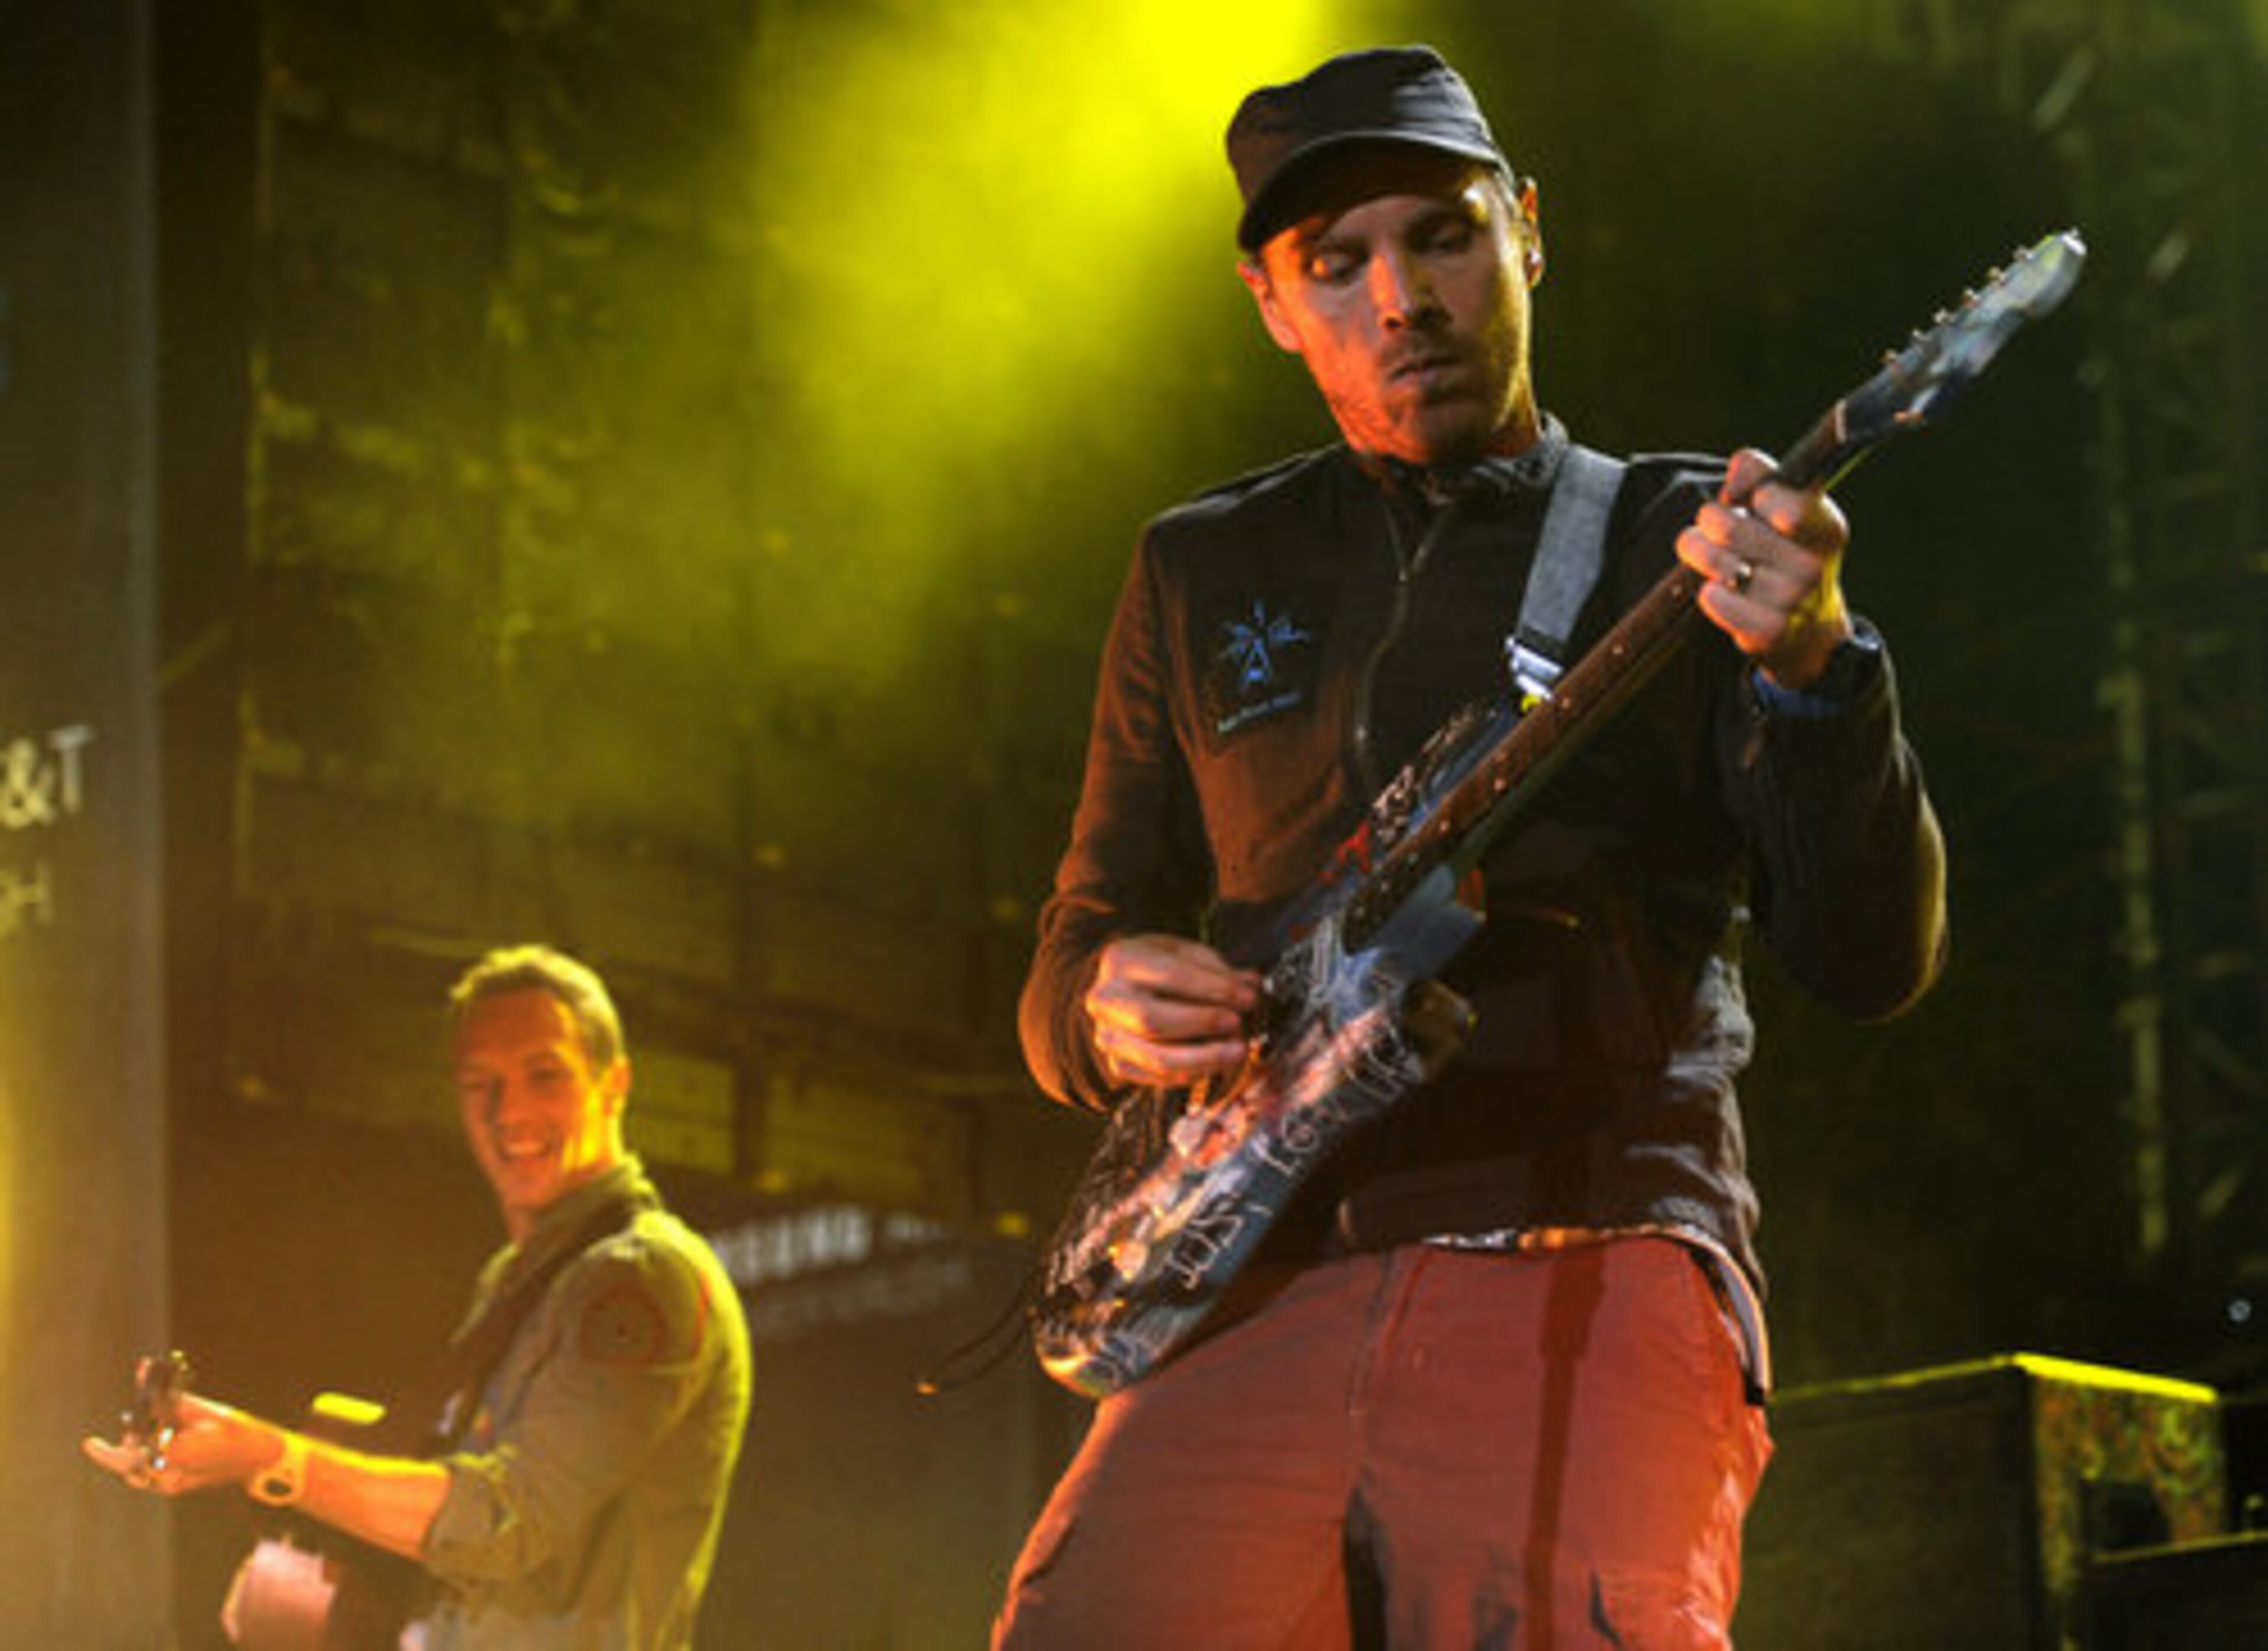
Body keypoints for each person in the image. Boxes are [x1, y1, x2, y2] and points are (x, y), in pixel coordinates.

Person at [995, 44, 1946, 1650]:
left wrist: (1815, 671)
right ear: (1271, 301)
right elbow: (1077, 938)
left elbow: (1871, 958)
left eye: (1440, 235)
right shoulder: (1199, 567)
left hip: (1591, 1228)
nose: (1401, 299)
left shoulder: (1678, 535)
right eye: (1336, 263)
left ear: (1525, 229)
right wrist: (1098, 1003)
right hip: (1247, 1286)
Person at [85, 944, 754, 1649]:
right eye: (480, 1083)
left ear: (614, 1085)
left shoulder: (643, 1278)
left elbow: (509, 1521)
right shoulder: (516, 1278)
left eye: (545, 1074)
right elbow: (453, 1526)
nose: (510, 1111)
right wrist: (295, 1564)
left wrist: (273, 1459)